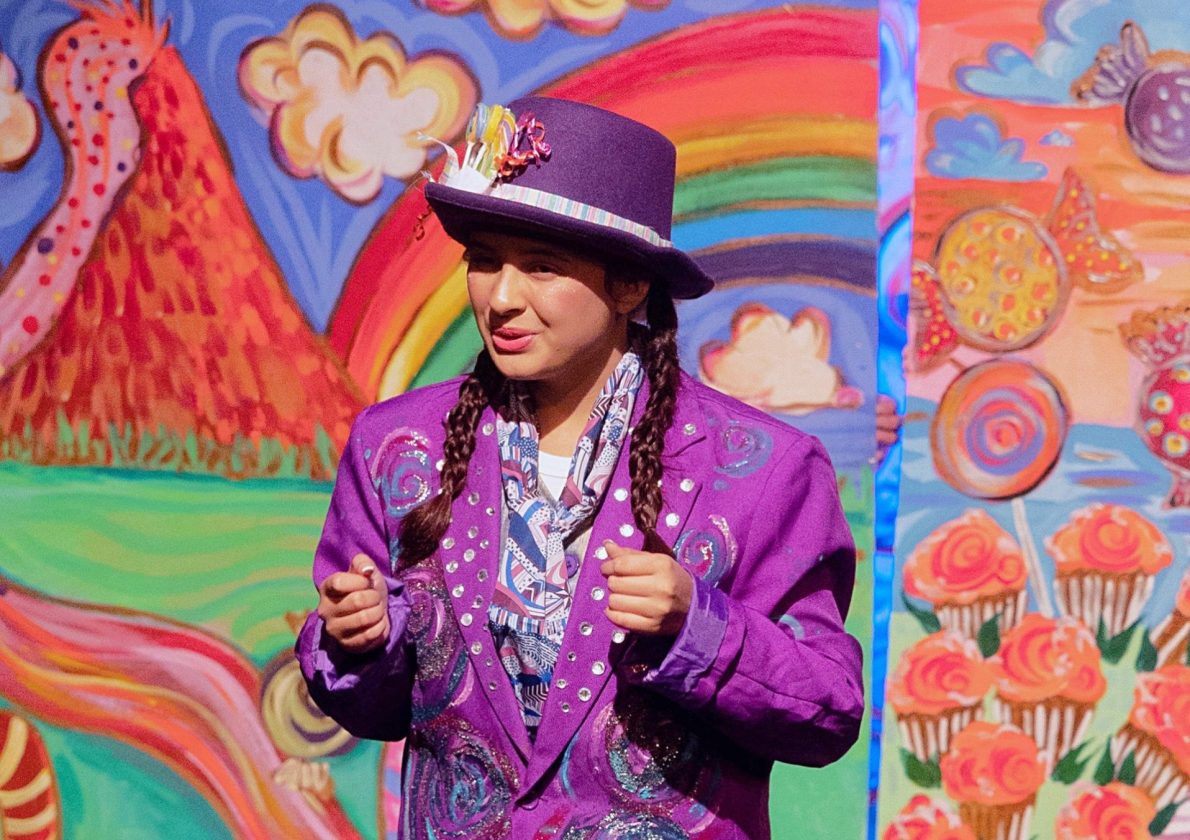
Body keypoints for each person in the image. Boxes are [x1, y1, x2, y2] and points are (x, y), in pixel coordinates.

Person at [296, 96, 864, 839]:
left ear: (630, 285)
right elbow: (371, 707)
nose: (502, 297)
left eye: (542, 266)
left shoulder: (764, 470)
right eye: (485, 260)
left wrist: (698, 625)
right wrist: (358, 638)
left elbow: (826, 713)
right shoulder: (398, 447)